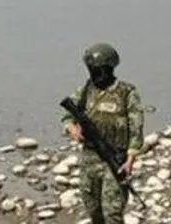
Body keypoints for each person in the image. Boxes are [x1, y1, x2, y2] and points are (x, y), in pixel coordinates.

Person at [61, 43, 145, 224]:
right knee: (93, 210)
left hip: (115, 158)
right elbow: (66, 116)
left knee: (112, 213)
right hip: (89, 158)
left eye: (99, 69)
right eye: (92, 69)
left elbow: (136, 127)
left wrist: (130, 159)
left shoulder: (126, 92)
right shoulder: (85, 91)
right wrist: (72, 129)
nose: (95, 74)